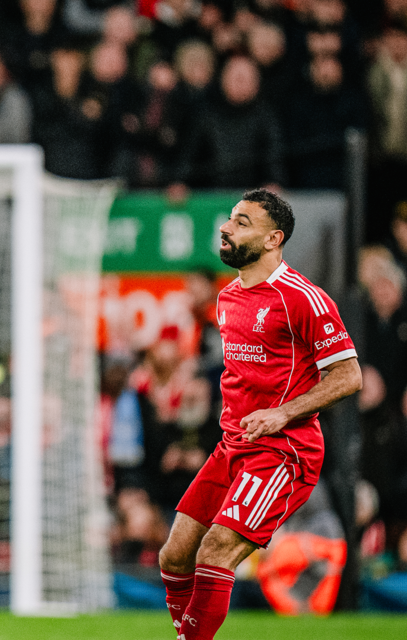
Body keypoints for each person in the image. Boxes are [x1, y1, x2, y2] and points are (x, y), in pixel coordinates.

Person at [157, 189, 362, 640]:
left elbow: (349, 377)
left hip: (283, 453)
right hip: (232, 449)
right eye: (230, 219)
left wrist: (282, 414)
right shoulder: (228, 297)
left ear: (274, 239)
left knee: (215, 551)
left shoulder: (303, 298)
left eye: (242, 222)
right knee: (173, 557)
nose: (227, 228)